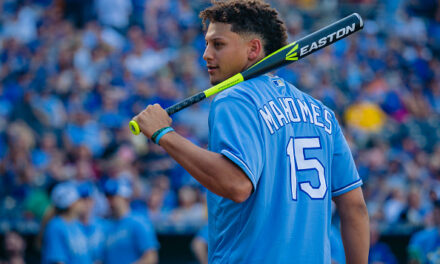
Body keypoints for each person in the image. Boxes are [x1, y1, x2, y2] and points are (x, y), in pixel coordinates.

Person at [133, 0, 369, 263]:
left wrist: (164, 135)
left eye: (218, 44)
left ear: (253, 49)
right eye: (207, 43)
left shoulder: (234, 99)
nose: (206, 54)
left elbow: (237, 184)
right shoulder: (321, 112)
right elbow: (355, 208)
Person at [101, 178, 159, 264]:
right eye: (108, 197)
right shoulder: (107, 225)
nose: (110, 201)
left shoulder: (138, 222)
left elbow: (151, 257)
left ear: (125, 197)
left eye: (113, 197)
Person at [41, 181, 93, 264]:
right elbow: (57, 260)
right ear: (71, 204)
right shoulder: (55, 226)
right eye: (79, 200)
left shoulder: (77, 225)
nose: (83, 203)